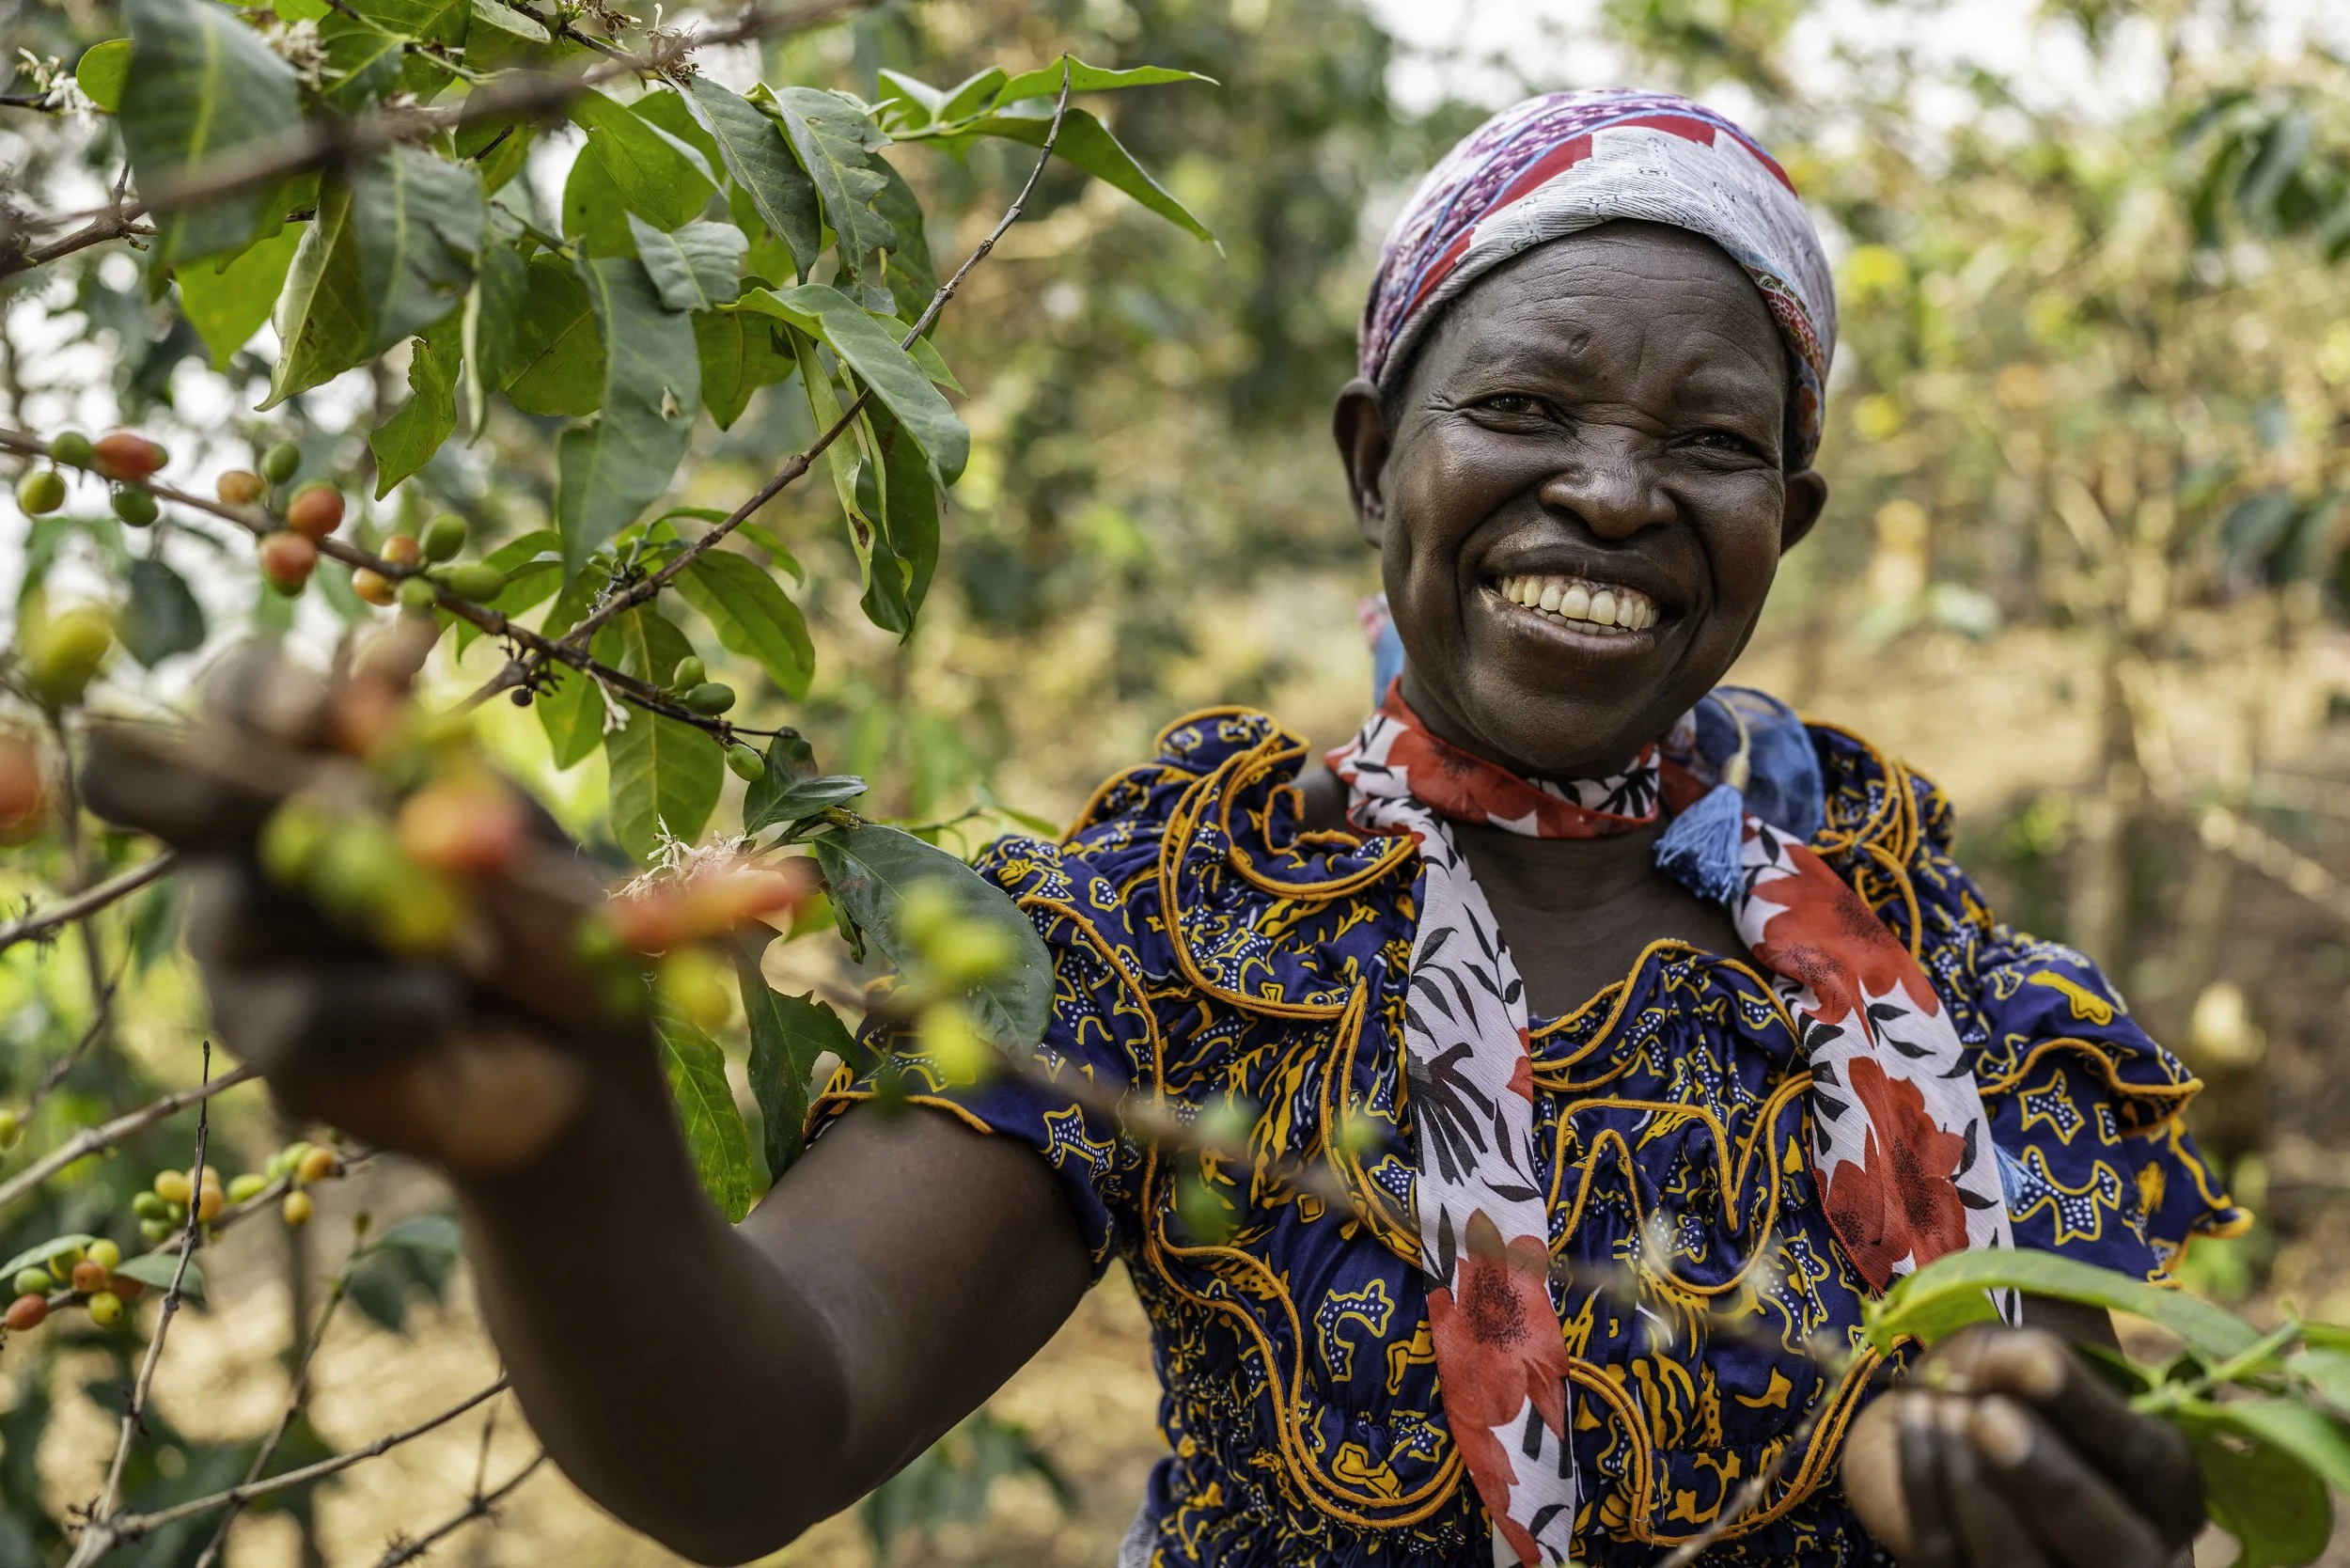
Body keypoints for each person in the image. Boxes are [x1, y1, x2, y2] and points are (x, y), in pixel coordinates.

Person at [95, 89, 2245, 1568]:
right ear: (1371, 454)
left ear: (1789, 512)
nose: (1609, 490)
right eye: (1520, 408)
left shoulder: (1917, 963)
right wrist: (566, 1143)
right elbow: (762, 1433)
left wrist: (2061, 1490)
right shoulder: (1194, 920)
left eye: (1707, 442)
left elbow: (2085, 1440)